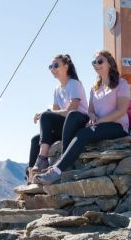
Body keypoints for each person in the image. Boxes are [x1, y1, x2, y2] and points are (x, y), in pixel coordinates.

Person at [34, 50, 130, 185]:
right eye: (94, 62)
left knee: (83, 133)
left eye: (100, 61)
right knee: (76, 123)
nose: (96, 64)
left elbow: (121, 110)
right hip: (99, 125)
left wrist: (100, 120)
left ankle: (57, 170)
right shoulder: (95, 88)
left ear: (110, 63)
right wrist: (92, 117)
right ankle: (62, 162)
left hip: (118, 126)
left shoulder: (121, 83)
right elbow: (90, 111)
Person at [27, 54, 89, 182]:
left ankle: (42, 158)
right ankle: (30, 177)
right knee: (35, 139)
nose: (52, 69)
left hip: (76, 123)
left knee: (46, 115)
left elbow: (71, 110)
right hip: (64, 125)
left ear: (66, 67)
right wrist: (46, 113)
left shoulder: (74, 84)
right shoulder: (57, 89)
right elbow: (55, 113)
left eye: (56, 65)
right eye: (51, 66)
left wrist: (46, 113)